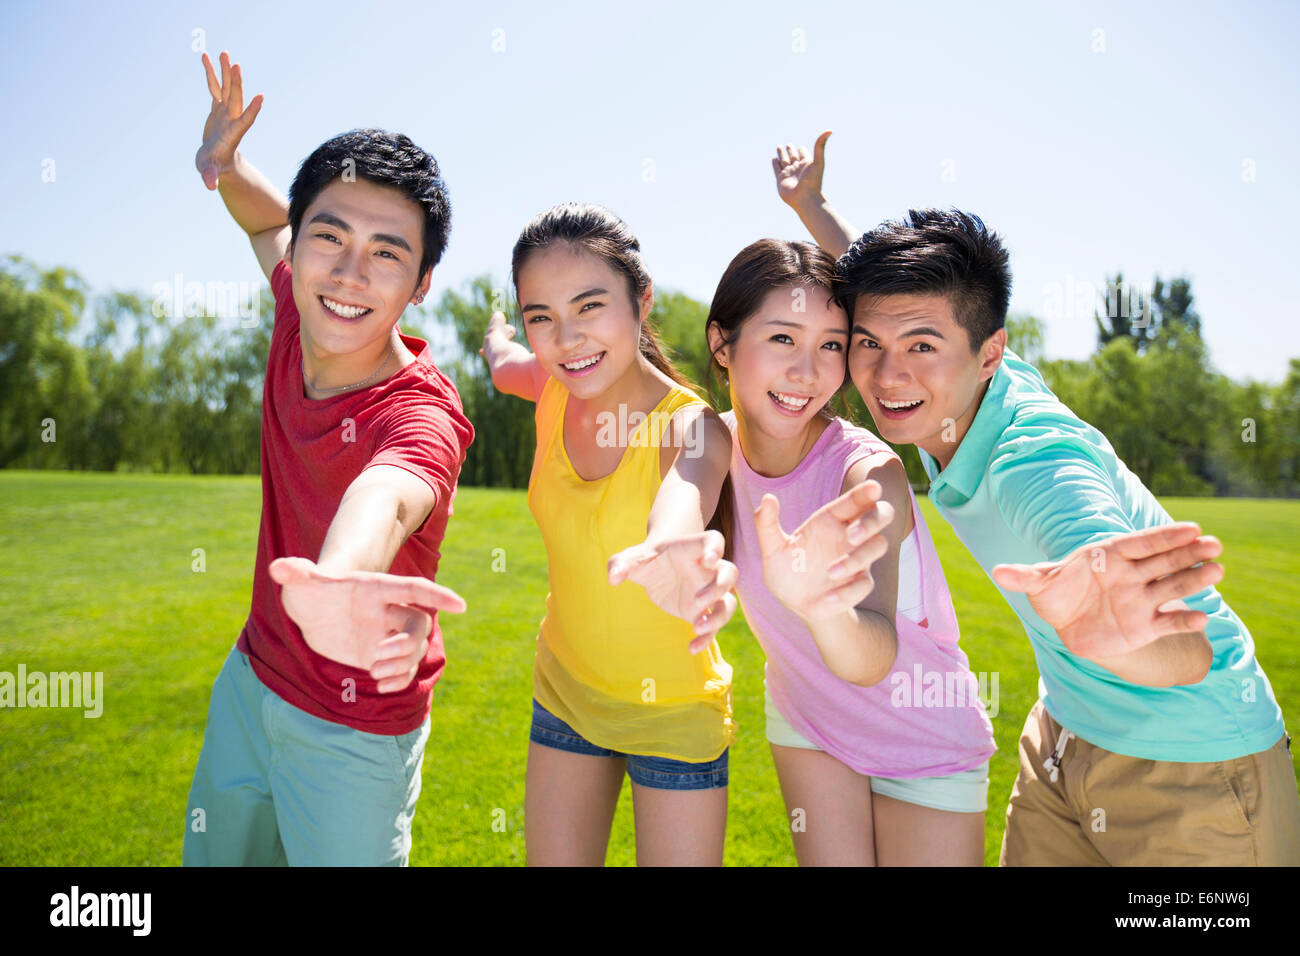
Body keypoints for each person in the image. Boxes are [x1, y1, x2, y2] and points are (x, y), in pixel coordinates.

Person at [771, 131, 1300, 865]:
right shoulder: (963, 371)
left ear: (989, 351)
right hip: (1064, 739)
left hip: (1194, 769)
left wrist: (1127, 631)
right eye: (868, 345)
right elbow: (898, 306)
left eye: (922, 347)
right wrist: (813, 206)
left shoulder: (1038, 465)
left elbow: (1187, 652)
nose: (888, 376)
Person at [182, 52, 474, 866]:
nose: (348, 274)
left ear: (420, 285)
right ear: (301, 243)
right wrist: (227, 165)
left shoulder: (420, 413)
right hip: (251, 680)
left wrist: (339, 582)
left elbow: (385, 496)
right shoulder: (293, 306)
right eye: (330, 237)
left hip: (353, 731)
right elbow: (261, 221)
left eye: (387, 253)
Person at [705, 237, 995, 865]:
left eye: (830, 345)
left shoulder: (867, 474)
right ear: (722, 344)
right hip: (808, 720)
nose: (807, 372)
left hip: (923, 732)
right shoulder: (710, 444)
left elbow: (873, 654)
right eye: (783, 338)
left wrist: (822, 607)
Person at [480, 203, 739, 866]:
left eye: (590, 306)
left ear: (641, 301)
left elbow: (687, 489)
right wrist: (499, 338)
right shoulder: (550, 385)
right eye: (542, 316)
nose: (567, 339)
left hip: (676, 715)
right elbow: (508, 362)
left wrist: (670, 546)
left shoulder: (693, 425)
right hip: (565, 694)